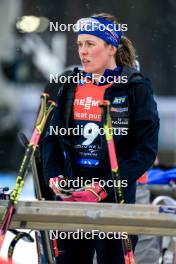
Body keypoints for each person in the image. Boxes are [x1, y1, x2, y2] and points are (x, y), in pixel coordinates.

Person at [42, 13, 160, 264]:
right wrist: (54, 175)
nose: (82, 52)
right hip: (73, 198)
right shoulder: (71, 85)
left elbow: (145, 152)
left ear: (111, 48)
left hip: (114, 200)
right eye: (79, 45)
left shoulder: (134, 87)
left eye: (90, 44)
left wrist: (103, 187)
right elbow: (51, 138)